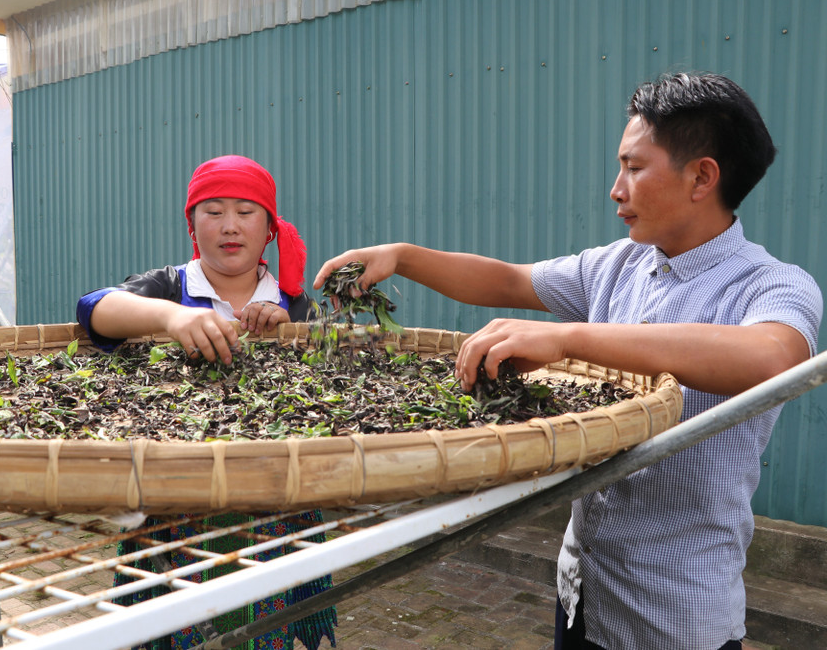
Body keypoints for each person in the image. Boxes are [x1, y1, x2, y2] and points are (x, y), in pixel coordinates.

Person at [312, 73, 822, 649]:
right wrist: (400, 257)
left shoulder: (772, 284)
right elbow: (509, 279)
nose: (616, 188)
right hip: (583, 588)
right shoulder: (619, 265)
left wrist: (569, 339)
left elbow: (772, 357)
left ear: (702, 176)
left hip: (674, 611)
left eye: (634, 167)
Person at [77, 154, 336, 650]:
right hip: (176, 505)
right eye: (213, 212)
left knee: (278, 632)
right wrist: (172, 319)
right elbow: (94, 307)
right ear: (193, 224)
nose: (230, 226)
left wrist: (289, 324)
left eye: (246, 211)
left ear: (270, 229)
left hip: (277, 505)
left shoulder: (295, 303)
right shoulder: (168, 288)